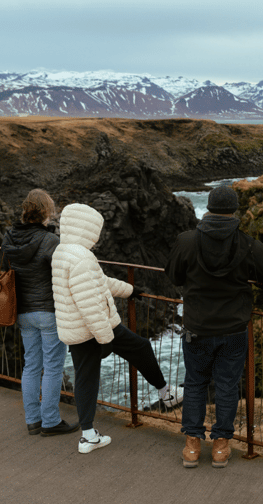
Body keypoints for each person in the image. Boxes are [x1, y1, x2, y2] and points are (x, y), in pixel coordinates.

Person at [165, 185, 263, 469]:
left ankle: (192, 445)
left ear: (208, 208)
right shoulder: (248, 245)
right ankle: (220, 445)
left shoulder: (187, 241)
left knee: (194, 384)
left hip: (197, 326)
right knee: (227, 386)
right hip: (233, 328)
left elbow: (173, 275)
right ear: (234, 211)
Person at [51, 202, 183, 454]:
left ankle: (88, 435)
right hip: (94, 329)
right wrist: (105, 338)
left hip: (75, 330)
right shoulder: (82, 258)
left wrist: (130, 290)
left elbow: (99, 283)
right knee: (141, 347)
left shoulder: (63, 251)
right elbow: (90, 305)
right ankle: (166, 393)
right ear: (88, 229)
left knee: (86, 379)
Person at [1, 189, 79, 437]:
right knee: (53, 366)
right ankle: (51, 421)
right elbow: (64, 273)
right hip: (48, 311)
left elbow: (5, 270)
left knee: (31, 365)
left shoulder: (8, 238)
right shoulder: (50, 241)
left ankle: (33, 420)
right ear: (46, 212)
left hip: (22, 312)